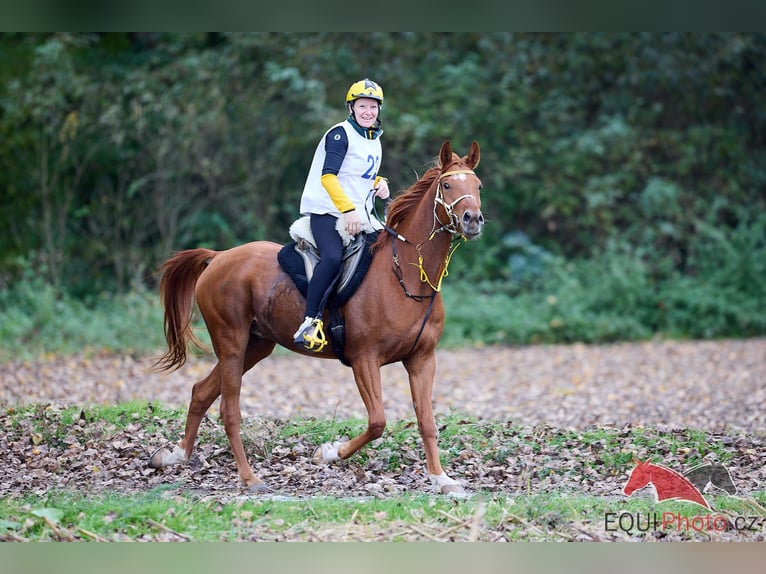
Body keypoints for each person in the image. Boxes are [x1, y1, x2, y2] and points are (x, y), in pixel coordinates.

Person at [292, 78, 390, 351]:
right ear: (351, 107)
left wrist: (378, 183)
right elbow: (329, 177)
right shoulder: (340, 134)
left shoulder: (373, 138)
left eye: (373, 107)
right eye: (363, 106)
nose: (368, 112)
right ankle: (309, 321)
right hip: (328, 211)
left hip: (358, 213)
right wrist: (347, 210)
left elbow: (357, 177)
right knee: (333, 258)